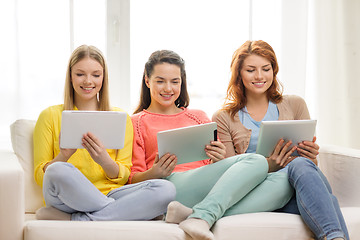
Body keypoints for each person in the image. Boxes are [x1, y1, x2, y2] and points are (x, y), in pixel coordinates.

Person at [130, 50, 295, 240]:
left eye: (175, 81)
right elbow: (131, 179)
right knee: (257, 161)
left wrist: (217, 158)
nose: (168, 88)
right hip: (170, 186)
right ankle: (202, 214)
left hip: (210, 189)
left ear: (181, 82)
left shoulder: (198, 117)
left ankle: (194, 214)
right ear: (147, 80)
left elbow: (214, 171)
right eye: (160, 81)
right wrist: (156, 172)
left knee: (284, 184)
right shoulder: (136, 122)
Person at [212, 40, 349, 240]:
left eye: (266, 69)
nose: (259, 76)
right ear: (239, 74)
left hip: (300, 184)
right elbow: (230, 176)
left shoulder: (295, 104)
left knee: (301, 164)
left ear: (274, 70)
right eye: (251, 70)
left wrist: (311, 156)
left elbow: (310, 167)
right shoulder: (223, 117)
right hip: (261, 194)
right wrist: (268, 165)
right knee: (328, 201)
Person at [33, 45, 175, 221]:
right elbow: (42, 177)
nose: (88, 81)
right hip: (66, 199)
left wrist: (104, 160)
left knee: (165, 189)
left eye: (96, 75)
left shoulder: (119, 117)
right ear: (70, 77)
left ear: (103, 78)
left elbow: (124, 178)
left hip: (112, 194)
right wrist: (64, 155)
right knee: (57, 170)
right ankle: (122, 212)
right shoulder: (49, 116)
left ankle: (79, 218)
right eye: (80, 74)